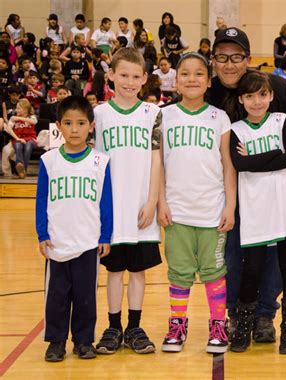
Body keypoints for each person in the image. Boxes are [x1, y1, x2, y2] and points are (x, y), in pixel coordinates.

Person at [209, 27, 286, 342]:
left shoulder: (271, 86)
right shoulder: (208, 91)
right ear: (213, 60)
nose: (229, 64)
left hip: (271, 195)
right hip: (226, 193)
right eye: (222, 57)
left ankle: (266, 315)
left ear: (248, 59)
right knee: (232, 255)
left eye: (237, 57)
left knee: (272, 257)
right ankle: (236, 314)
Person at [158, 52, 236, 354]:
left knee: (214, 272)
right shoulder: (164, 116)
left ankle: (218, 324)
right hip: (176, 212)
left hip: (212, 211)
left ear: (208, 80)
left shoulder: (219, 117)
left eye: (199, 74)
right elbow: (159, 165)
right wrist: (161, 203)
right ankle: (177, 324)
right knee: (178, 272)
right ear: (175, 81)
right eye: (185, 74)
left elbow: (228, 166)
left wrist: (230, 206)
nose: (192, 79)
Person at [229, 71, 286, 355]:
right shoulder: (236, 129)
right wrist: (273, 154)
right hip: (255, 211)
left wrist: (253, 160)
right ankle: (244, 330)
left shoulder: (282, 120)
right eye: (250, 96)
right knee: (251, 270)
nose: (256, 101)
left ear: (271, 96)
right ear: (241, 99)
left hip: (284, 206)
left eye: (262, 94)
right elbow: (238, 164)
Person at [94, 47, 162, 355]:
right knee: (113, 271)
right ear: (110, 75)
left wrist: (152, 200)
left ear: (145, 78)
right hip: (111, 208)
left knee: (137, 271)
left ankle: (134, 326)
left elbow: (157, 159)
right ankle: (113, 326)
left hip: (140, 207)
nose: (129, 82)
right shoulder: (98, 115)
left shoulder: (153, 113)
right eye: (123, 75)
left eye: (136, 77)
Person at [35, 95, 112, 362]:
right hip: (57, 242)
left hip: (88, 242)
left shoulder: (100, 162)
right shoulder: (49, 161)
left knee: (85, 297)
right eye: (68, 123)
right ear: (58, 126)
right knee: (56, 297)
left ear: (91, 126)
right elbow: (41, 200)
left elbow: (106, 201)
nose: (75, 129)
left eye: (81, 123)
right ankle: (55, 341)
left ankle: (83, 341)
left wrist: (105, 235)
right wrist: (42, 234)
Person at [5, 98, 37, 178]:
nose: (16, 110)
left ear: (25, 109)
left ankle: (23, 170)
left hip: (31, 138)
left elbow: (34, 122)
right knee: (18, 145)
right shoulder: (13, 118)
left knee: (28, 146)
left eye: (18, 108)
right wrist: (17, 138)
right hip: (18, 138)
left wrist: (18, 118)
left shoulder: (32, 117)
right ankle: (20, 168)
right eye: (16, 108)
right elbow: (9, 129)